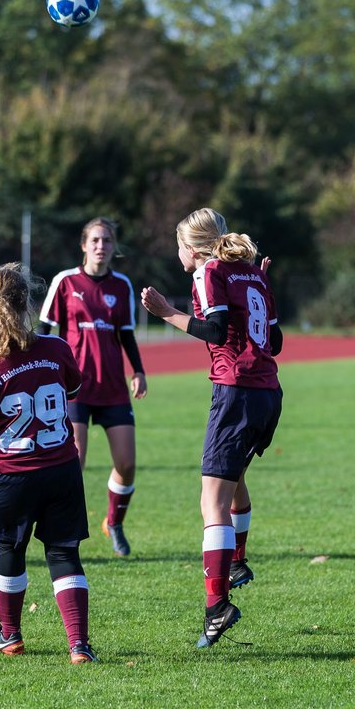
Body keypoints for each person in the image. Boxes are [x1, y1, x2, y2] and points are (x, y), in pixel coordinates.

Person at [140, 207, 283, 649]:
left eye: (178, 244)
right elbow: (274, 341)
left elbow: (217, 331)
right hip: (268, 393)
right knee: (234, 479)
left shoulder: (211, 270)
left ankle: (217, 605)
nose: (176, 253)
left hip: (236, 391)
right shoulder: (251, 274)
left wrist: (166, 312)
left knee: (211, 501)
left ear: (193, 246)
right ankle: (237, 562)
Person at [0, 263, 98, 664]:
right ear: (27, 303)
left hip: (11, 474)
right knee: (63, 552)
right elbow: (72, 389)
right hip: (61, 467)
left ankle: (10, 635)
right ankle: (78, 646)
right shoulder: (56, 348)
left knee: (10, 546)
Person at [39, 218, 147, 557]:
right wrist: (40, 371)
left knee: (127, 463)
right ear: (84, 245)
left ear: (114, 247)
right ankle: (63, 534)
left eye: (108, 240)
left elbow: (126, 334)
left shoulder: (122, 285)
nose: (102, 246)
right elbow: (44, 331)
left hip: (113, 386)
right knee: (76, 462)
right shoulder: (65, 281)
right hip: (73, 388)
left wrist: (139, 370)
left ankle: (113, 522)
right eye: (96, 240)